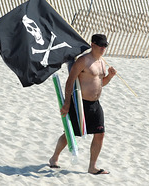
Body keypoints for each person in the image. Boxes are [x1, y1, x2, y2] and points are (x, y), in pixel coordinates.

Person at [49, 34, 117, 175]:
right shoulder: (83, 61)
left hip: (95, 104)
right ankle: (54, 157)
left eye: (105, 46)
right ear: (92, 44)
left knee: (100, 133)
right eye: (100, 45)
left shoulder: (102, 62)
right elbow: (70, 81)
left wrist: (109, 77)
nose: (103, 48)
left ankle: (92, 167)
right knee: (71, 133)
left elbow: (100, 83)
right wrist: (67, 103)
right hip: (80, 103)